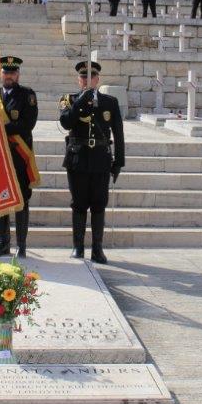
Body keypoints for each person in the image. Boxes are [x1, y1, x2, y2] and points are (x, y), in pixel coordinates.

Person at [59, 61, 124, 264]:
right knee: (78, 204)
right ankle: (78, 247)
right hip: (77, 158)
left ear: (98, 79)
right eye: (83, 76)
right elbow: (65, 122)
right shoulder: (69, 100)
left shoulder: (109, 102)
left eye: (92, 75)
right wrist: (80, 102)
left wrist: (119, 161)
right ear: (78, 79)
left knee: (98, 204)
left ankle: (97, 249)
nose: (88, 79)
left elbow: (118, 133)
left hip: (100, 158)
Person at [0, 56, 38, 258]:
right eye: (5, 72)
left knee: (21, 199)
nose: (8, 76)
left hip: (19, 154)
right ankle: (3, 243)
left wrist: (1, 129)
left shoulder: (27, 95)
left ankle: (21, 245)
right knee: (0, 198)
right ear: (0, 74)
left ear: (18, 74)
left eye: (12, 72)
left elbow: (27, 124)